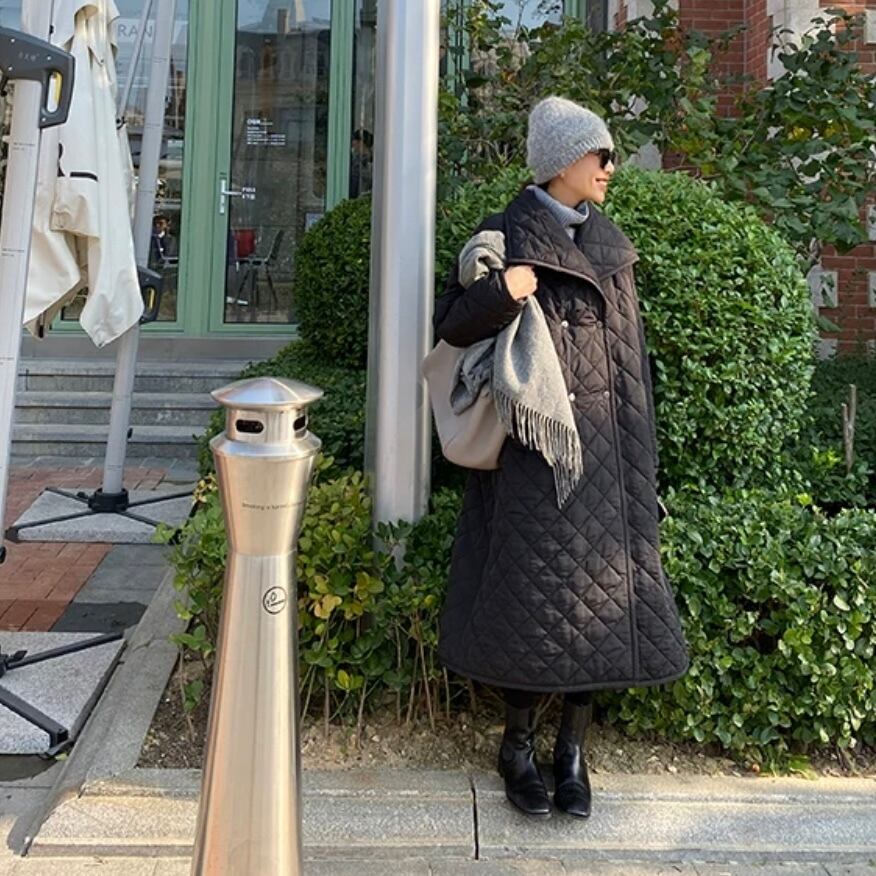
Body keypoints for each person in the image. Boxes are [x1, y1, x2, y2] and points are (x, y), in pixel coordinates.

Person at [433, 96, 689, 819]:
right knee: (531, 603)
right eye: (600, 155)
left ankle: (572, 750)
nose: (610, 168)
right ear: (562, 161)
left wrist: (640, 457)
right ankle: (517, 748)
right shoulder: (501, 238)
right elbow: (450, 327)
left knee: (602, 609)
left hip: (607, 455)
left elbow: (630, 366)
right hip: (534, 458)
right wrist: (501, 292)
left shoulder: (612, 247)